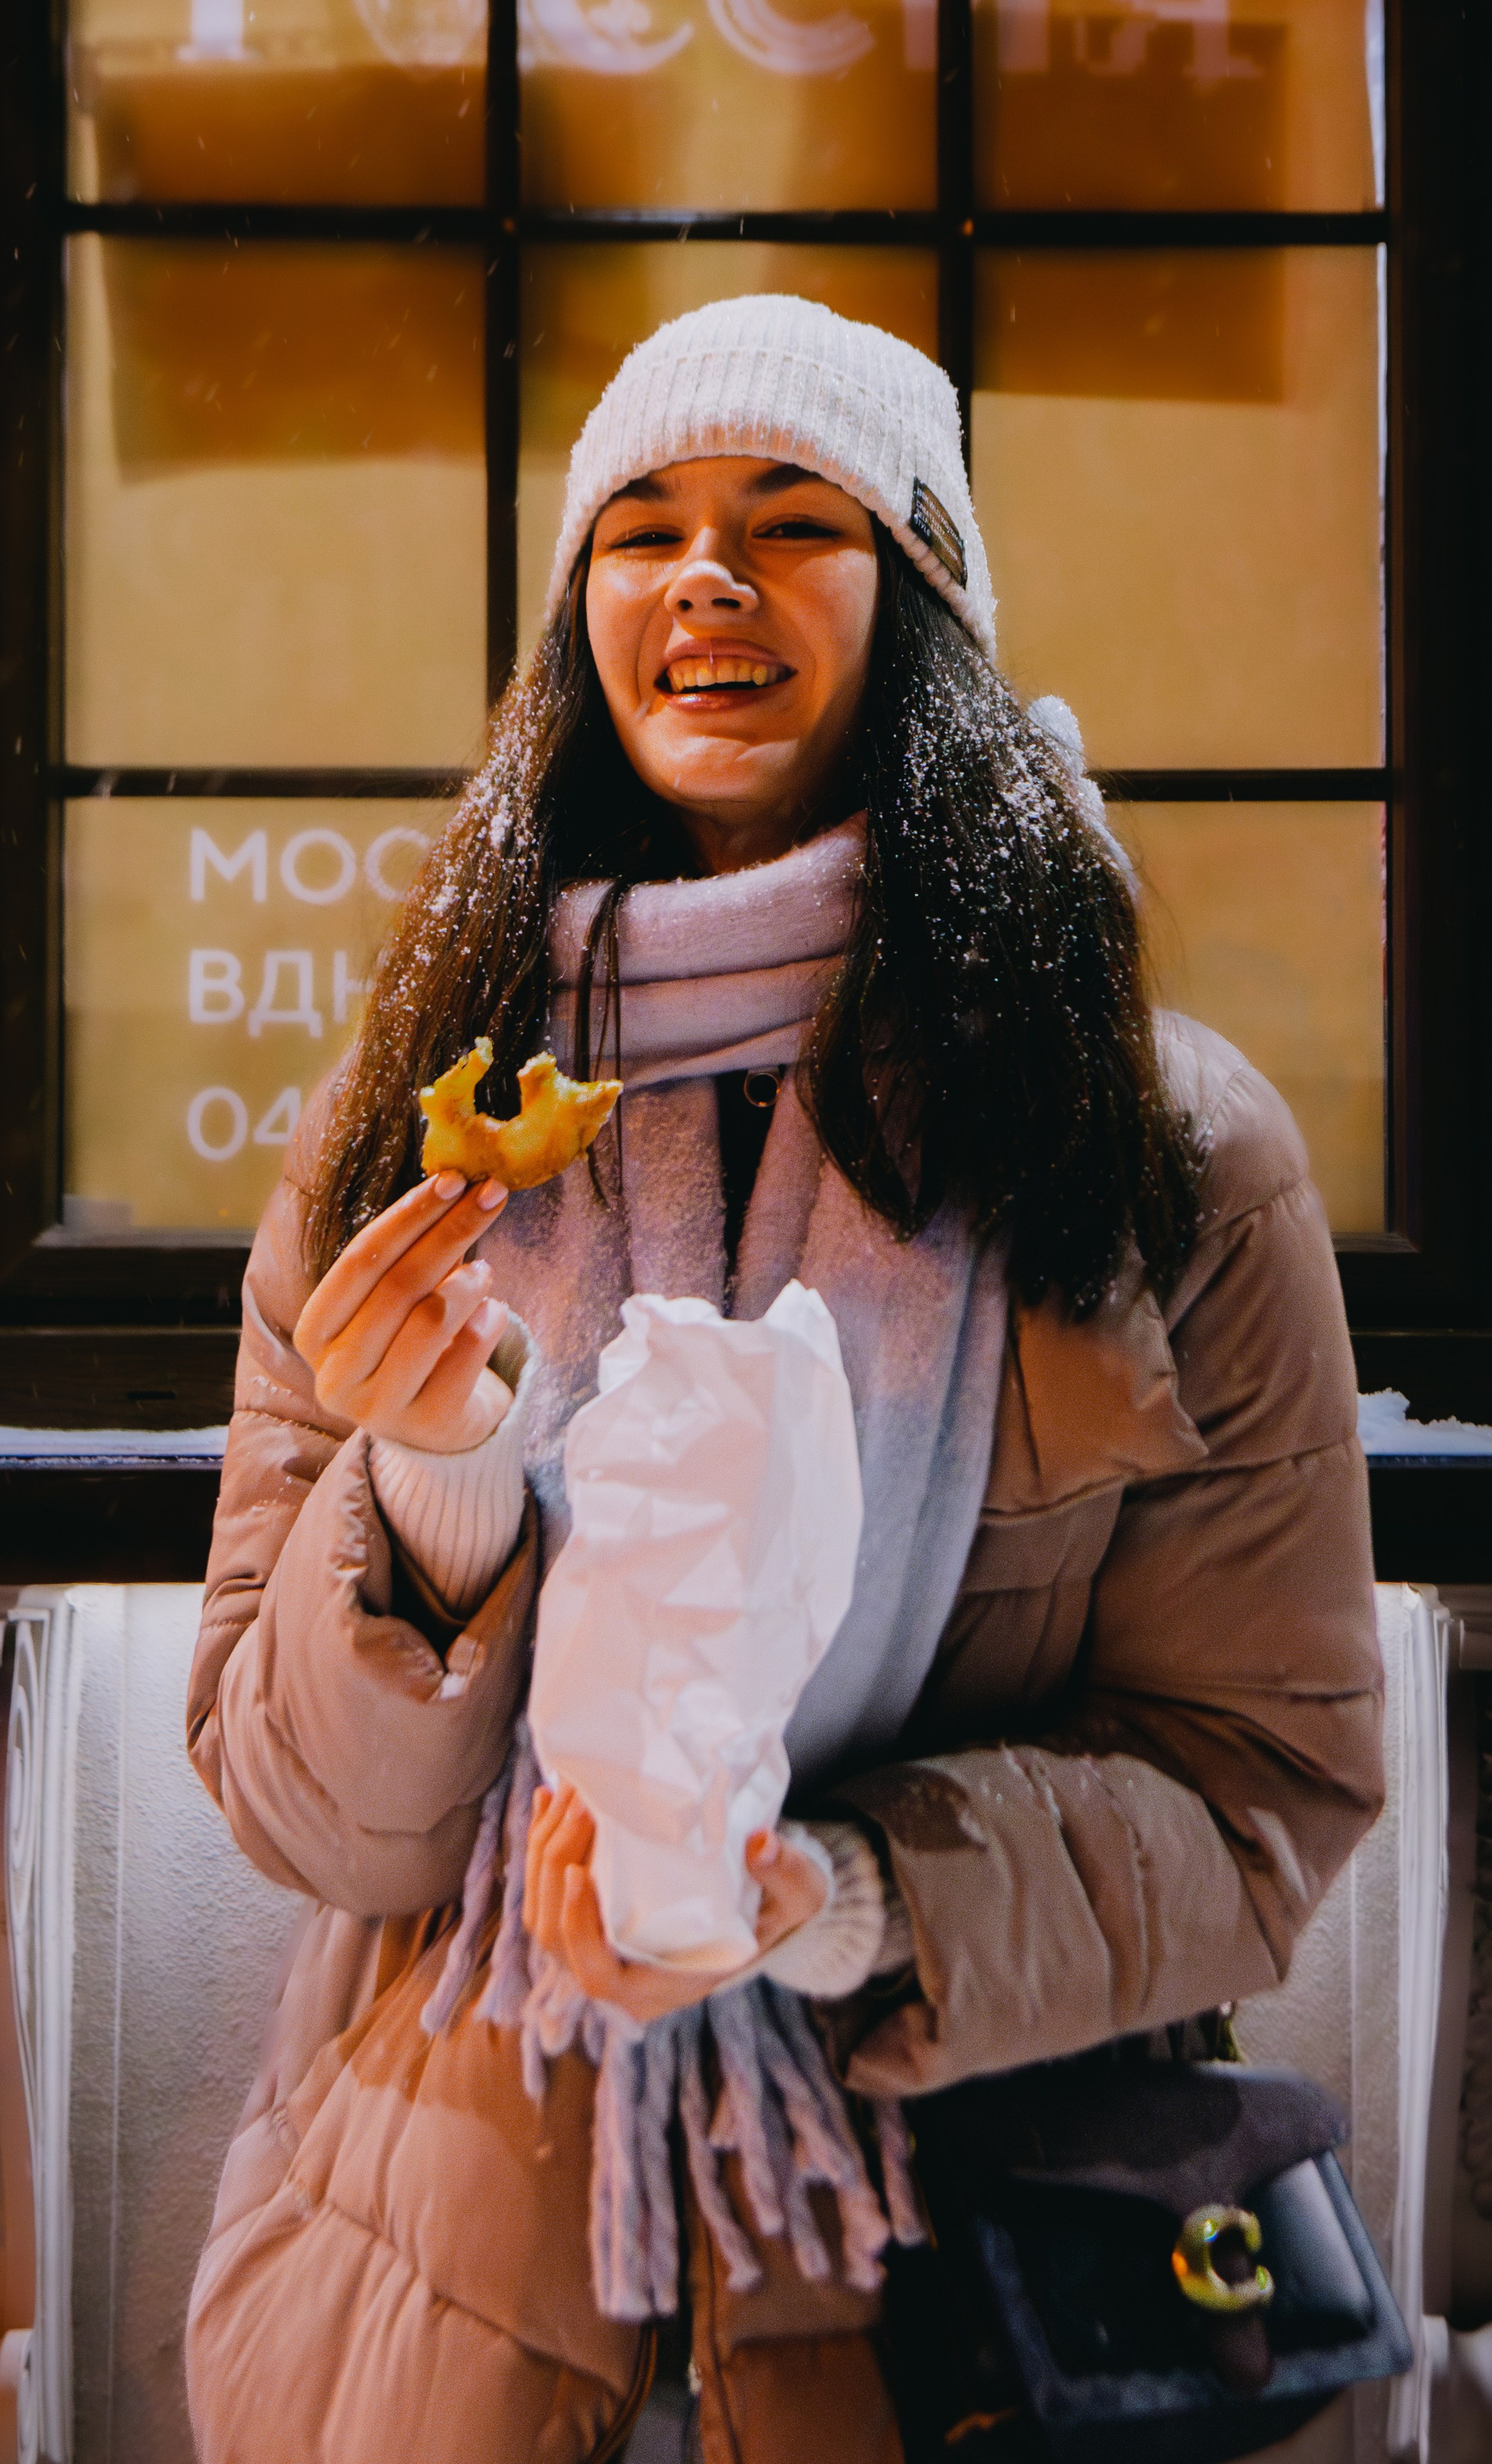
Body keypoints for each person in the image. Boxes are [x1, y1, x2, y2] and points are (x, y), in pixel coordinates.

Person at [183, 293, 1384, 2464]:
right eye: (638, 528)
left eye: (788, 519)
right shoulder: (410, 1121)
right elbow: (301, 1816)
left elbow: (1258, 1794)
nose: (704, 576)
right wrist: (441, 1486)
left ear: (921, 601)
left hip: (967, 2282)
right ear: (581, 623)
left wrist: (832, 1898)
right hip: (456, 2272)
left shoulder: (1150, 1153)